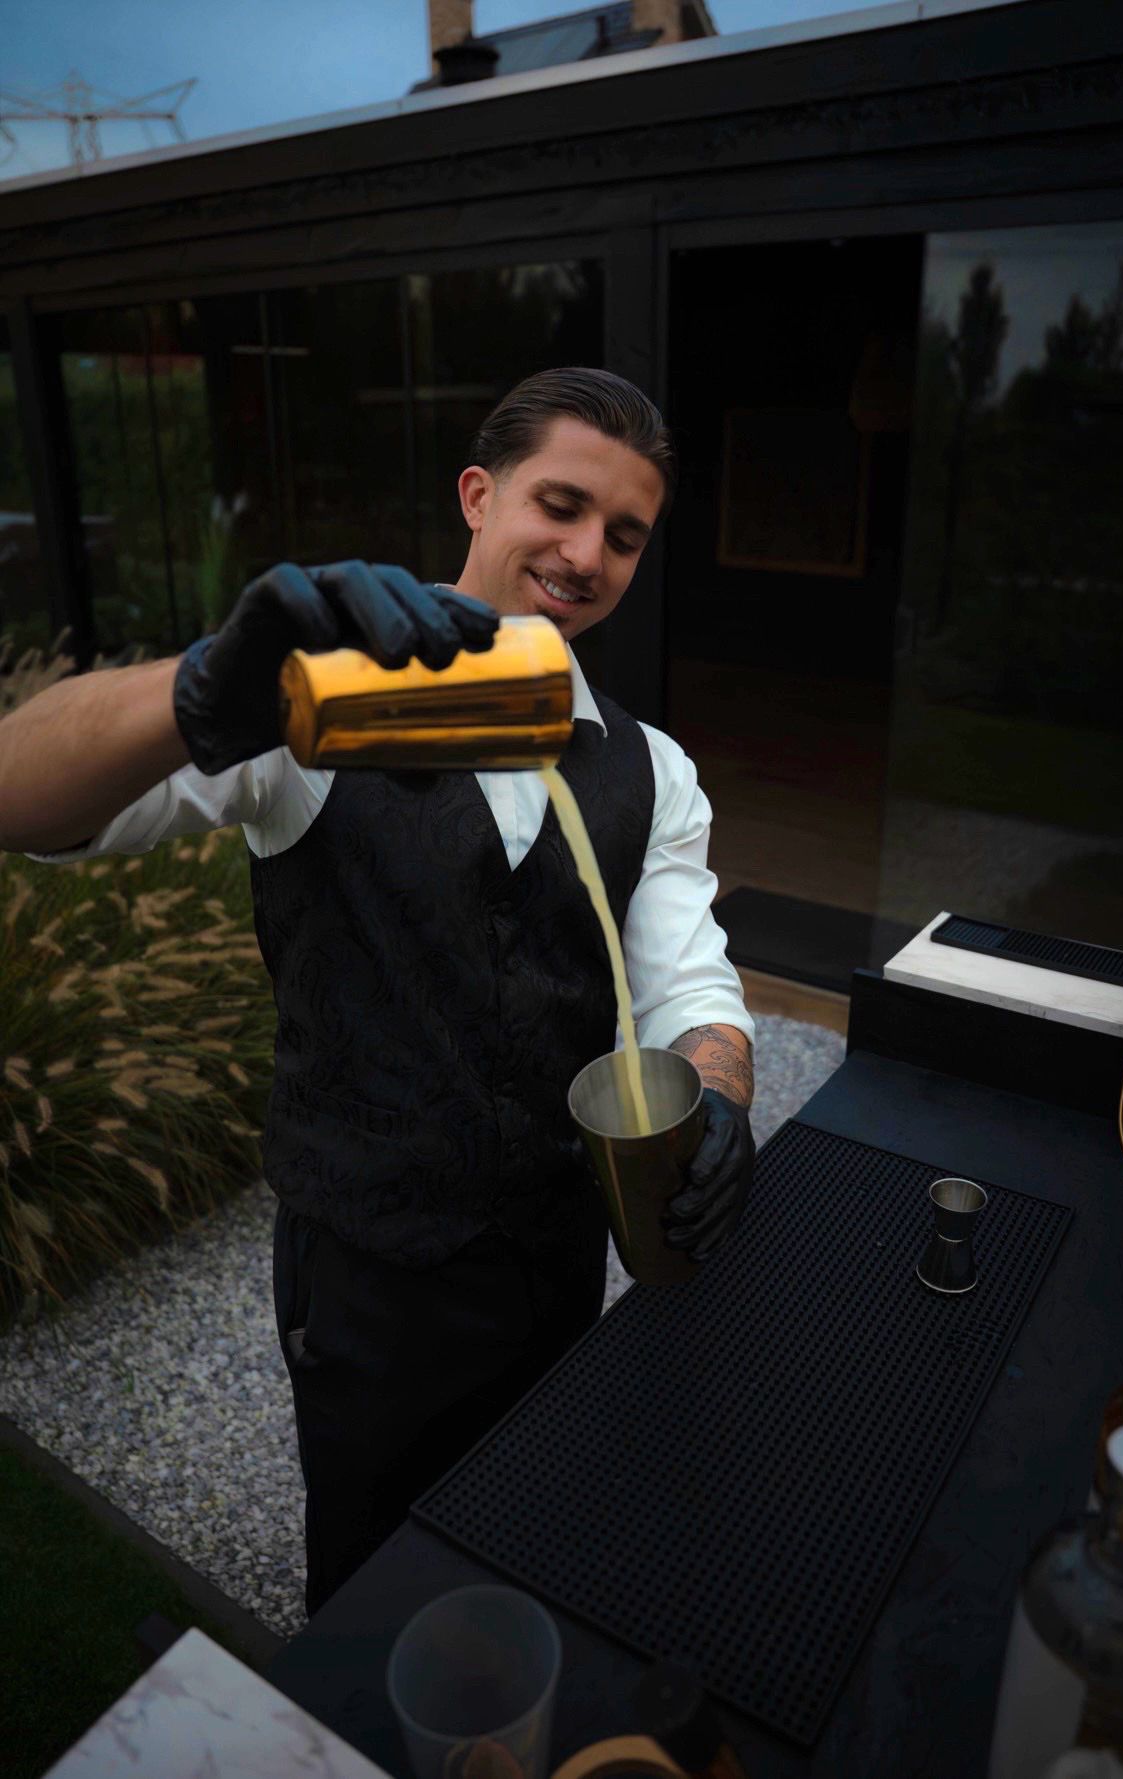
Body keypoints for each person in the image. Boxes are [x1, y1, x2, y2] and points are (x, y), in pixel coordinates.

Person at [0, 366, 755, 1617]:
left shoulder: (653, 767)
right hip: (370, 1276)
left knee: (532, 1546)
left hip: (558, 1255)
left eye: (624, 535)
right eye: (560, 505)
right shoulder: (320, 702)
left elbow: (691, 984)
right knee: (370, 1593)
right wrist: (200, 691)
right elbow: (18, 797)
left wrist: (718, 1097)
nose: (587, 555)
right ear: (478, 494)